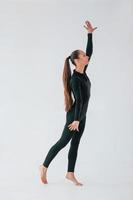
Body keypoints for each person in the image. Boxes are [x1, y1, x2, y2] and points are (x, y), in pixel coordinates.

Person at [39, 21, 97, 186]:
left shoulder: (82, 71)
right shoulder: (75, 80)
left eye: (86, 55)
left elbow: (90, 52)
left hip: (81, 115)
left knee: (75, 143)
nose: (87, 57)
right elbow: (79, 101)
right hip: (75, 116)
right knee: (62, 142)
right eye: (84, 55)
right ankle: (43, 166)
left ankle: (70, 173)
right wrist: (76, 120)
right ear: (77, 60)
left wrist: (90, 34)